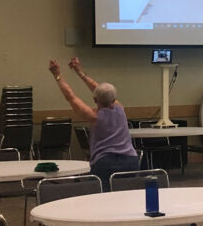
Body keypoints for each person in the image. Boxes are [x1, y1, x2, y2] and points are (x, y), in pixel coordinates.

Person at [48, 57, 139, 189]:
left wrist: (57, 75)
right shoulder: (120, 107)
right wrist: (80, 72)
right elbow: (98, 89)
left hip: (105, 162)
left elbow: (70, 96)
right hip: (130, 160)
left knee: (103, 196)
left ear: (95, 100)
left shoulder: (94, 117)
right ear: (114, 99)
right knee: (125, 194)